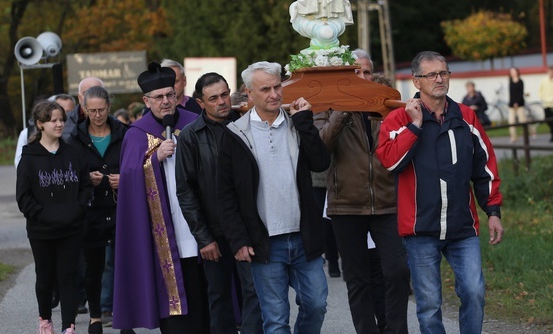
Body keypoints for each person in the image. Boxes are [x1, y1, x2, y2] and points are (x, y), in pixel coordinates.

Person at [376, 51, 504, 334]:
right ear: (416, 81)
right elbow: (390, 162)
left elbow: (485, 167)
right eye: (431, 74)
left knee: (474, 292)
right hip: (420, 228)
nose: (439, 79)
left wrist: (493, 210)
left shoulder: (465, 116)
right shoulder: (398, 119)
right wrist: (415, 126)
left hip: (462, 226)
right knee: (429, 304)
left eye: (443, 73)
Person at [217, 61, 331, 334]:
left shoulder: (296, 124)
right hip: (264, 242)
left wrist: (305, 123)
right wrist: (238, 240)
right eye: (265, 89)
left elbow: (321, 163)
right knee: (276, 321)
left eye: (277, 86)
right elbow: (225, 194)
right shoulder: (235, 134)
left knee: (316, 304)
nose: (274, 94)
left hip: (304, 236)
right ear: (250, 93)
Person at [314, 50, 410, 334]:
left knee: (397, 272)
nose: (362, 78)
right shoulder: (327, 106)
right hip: (346, 206)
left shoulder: (387, 106)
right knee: (358, 279)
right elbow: (321, 148)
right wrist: (344, 107)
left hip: (387, 202)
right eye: (355, 73)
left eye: (367, 72)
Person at [113, 62, 208, 333]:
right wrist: (154, 158)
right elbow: (130, 178)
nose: (166, 102)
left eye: (170, 95)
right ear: (146, 100)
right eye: (159, 97)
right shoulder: (136, 133)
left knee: (201, 295)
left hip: (197, 225)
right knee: (173, 306)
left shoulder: (195, 123)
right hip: (164, 231)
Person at [175, 72, 262, 334]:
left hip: (248, 227)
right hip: (213, 231)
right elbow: (185, 191)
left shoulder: (248, 124)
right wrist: (204, 238)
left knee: (254, 292)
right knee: (219, 297)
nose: (222, 102)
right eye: (213, 98)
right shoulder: (190, 136)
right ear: (201, 103)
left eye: (225, 94)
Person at [16, 100, 93, 334]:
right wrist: (45, 216)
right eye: (54, 120)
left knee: (69, 276)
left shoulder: (73, 152)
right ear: (40, 124)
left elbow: (85, 186)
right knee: (45, 277)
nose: (60, 124)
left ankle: (68, 326)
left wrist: (77, 211)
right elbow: (23, 198)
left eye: (61, 119)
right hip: (42, 231)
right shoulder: (29, 158)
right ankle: (45, 320)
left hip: (71, 228)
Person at [71, 86, 127, 334]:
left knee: (124, 265)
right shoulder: (75, 137)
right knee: (93, 266)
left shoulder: (124, 133)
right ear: (83, 109)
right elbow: (69, 172)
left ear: (109, 107)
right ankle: (95, 316)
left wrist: (123, 178)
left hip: (120, 208)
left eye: (101, 110)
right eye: (91, 110)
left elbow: (136, 165)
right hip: (90, 211)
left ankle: (126, 318)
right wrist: (86, 178)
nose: (97, 115)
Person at [64, 77, 104, 141]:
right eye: (86, 93)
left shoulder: (116, 127)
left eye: (97, 93)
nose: (91, 97)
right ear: (79, 97)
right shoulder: (63, 123)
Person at [507, 67, 528, 142]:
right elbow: (511, 94)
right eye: (511, 72)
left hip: (520, 104)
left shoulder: (520, 81)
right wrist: (512, 103)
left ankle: (531, 130)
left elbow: (520, 93)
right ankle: (514, 137)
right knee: (511, 121)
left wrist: (517, 102)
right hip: (511, 105)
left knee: (523, 120)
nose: (512, 73)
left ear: (517, 72)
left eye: (514, 71)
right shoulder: (510, 81)